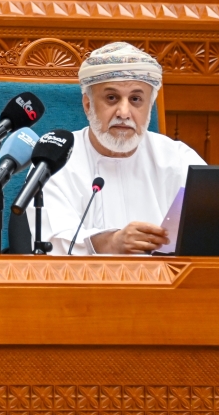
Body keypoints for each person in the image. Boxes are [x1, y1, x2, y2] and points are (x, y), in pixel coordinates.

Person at [35, 42, 205, 255]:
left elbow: (212, 228)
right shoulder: (55, 160)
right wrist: (112, 242)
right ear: (88, 105)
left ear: (149, 107)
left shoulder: (179, 159)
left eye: (135, 99)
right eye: (112, 98)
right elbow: (51, 243)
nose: (124, 112)